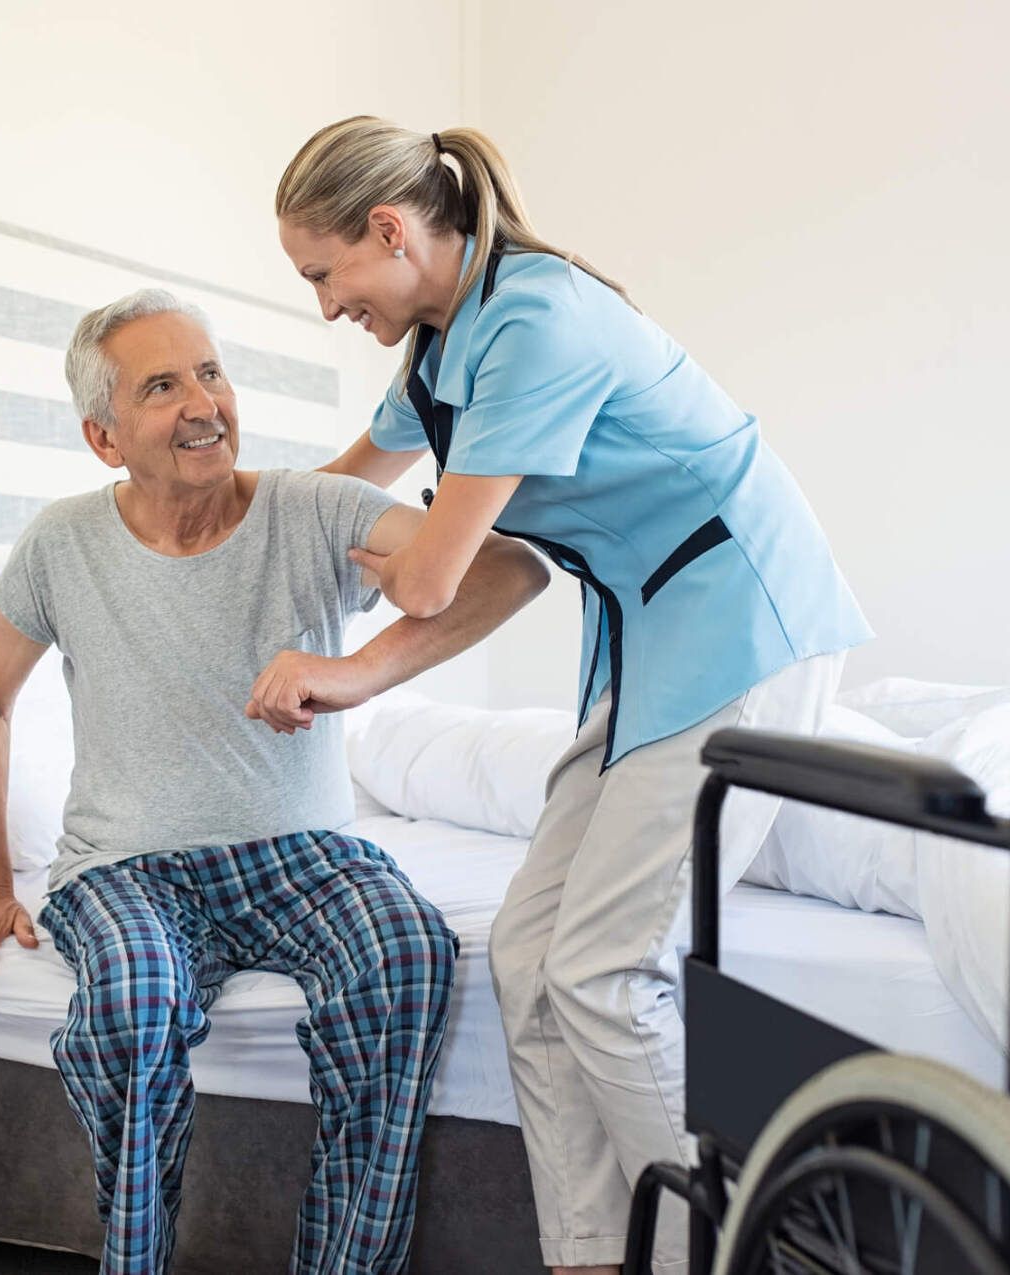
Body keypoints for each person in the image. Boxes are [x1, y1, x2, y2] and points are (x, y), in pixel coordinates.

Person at [275, 117, 872, 1274]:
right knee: (526, 959)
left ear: (389, 231)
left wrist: (344, 664)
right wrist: (223, 530)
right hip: (652, 647)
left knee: (603, 969)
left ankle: (753, 1253)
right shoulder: (443, 351)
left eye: (323, 273)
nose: (324, 305)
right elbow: (344, 492)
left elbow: (445, 573)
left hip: (745, 627)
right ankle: (595, 1257)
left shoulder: (536, 322)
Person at [0, 288, 550, 1275]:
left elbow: (506, 572)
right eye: (164, 385)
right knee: (134, 1002)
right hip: (127, 869)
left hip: (301, 855)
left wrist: (355, 673)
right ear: (104, 436)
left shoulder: (316, 510)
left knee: (405, 951)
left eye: (211, 372)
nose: (204, 403)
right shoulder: (62, 542)